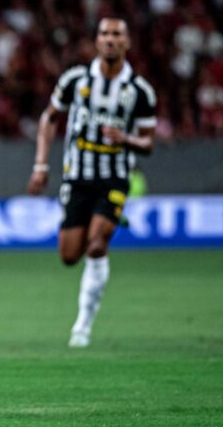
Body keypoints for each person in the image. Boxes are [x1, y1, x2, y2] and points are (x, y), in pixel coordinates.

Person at [27, 17, 156, 348]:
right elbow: (49, 118)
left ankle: (82, 326)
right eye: (104, 34)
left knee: (97, 245)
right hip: (77, 178)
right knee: (70, 255)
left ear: (127, 43)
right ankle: (106, 221)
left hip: (114, 177)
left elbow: (148, 142)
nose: (110, 39)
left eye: (116, 34)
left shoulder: (139, 91)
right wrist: (41, 164)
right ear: (97, 41)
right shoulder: (75, 79)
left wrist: (124, 138)